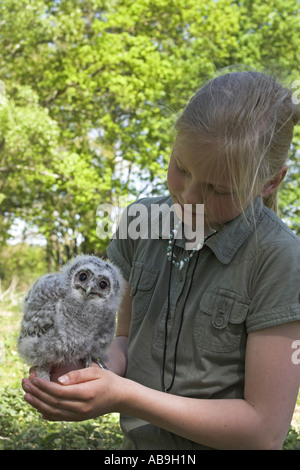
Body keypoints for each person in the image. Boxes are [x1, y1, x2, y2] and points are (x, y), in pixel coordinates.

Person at [22, 70, 300, 450]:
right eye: (181, 168)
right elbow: (123, 337)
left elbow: (264, 432)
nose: (188, 196)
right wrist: (92, 373)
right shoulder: (140, 225)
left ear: (270, 182)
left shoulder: (279, 261)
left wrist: (124, 396)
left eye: (218, 189)